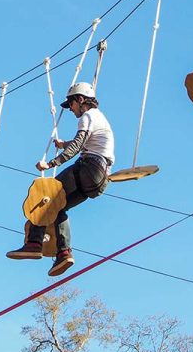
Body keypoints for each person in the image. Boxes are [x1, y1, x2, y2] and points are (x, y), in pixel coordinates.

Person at [7, 82, 114, 276]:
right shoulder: (100, 119)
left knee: (46, 192)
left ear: (80, 100)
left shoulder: (88, 116)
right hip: (100, 178)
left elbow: (78, 145)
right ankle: (64, 253)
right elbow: (85, 143)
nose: (71, 110)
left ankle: (33, 244)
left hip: (89, 167)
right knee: (57, 207)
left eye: (72, 104)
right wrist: (63, 143)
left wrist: (52, 163)